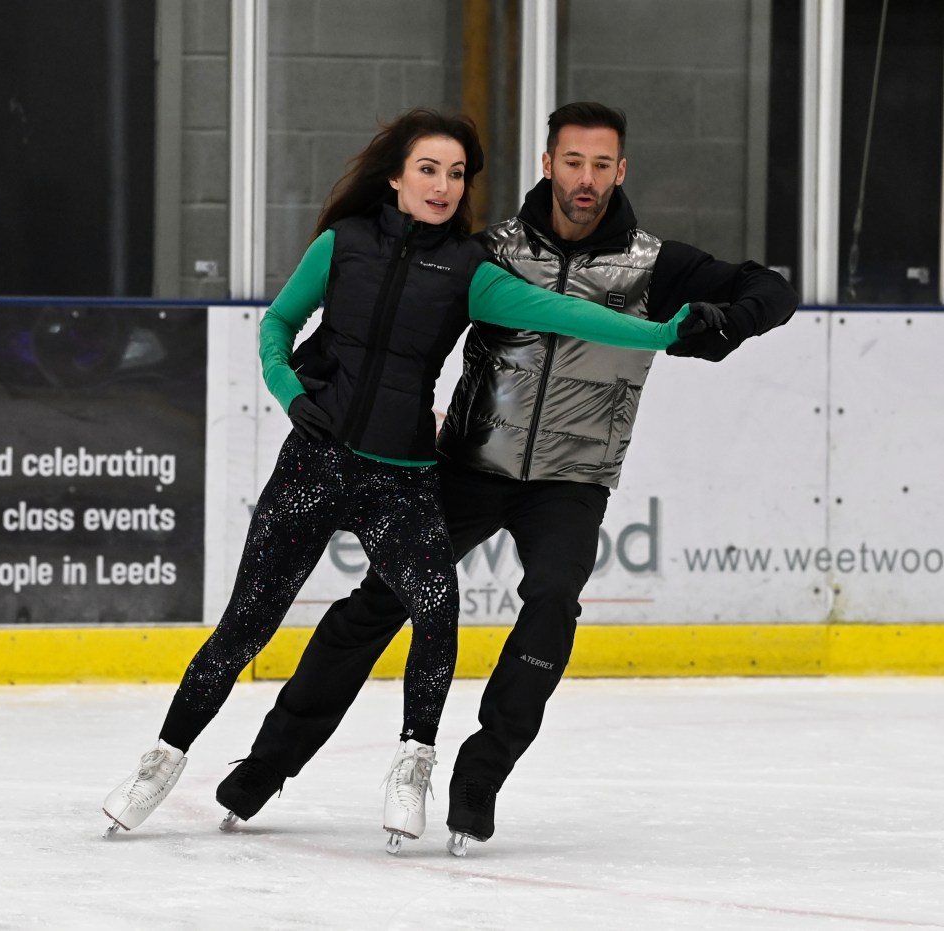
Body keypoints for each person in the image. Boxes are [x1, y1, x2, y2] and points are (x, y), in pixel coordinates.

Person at [101, 107, 707, 846]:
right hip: (316, 466)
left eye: (456, 174)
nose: (443, 185)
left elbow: (567, 313)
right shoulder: (342, 245)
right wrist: (290, 393)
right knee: (243, 630)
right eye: (428, 169)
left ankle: (412, 765)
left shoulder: (469, 272)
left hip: (403, 477)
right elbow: (275, 326)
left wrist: (664, 334)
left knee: (434, 610)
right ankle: (161, 762)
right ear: (394, 176)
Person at [212, 101, 798, 855]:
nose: (585, 179)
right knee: (377, 603)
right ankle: (267, 765)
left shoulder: (655, 264)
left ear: (619, 172)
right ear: (548, 164)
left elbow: (770, 287)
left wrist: (728, 320)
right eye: (572, 161)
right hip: (468, 465)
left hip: (571, 480)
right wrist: (320, 367)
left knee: (553, 596)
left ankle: (478, 777)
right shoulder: (490, 252)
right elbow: (395, 317)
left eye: (600, 165)